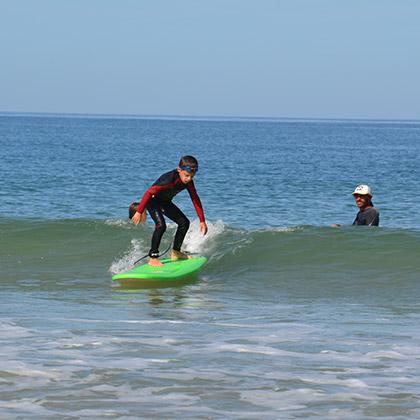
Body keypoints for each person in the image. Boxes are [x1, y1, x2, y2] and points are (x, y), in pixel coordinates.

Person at [130, 155, 208, 266]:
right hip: (152, 201)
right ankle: (153, 257)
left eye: (192, 176)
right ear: (179, 170)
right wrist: (139, 211)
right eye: (186, 175)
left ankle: (176, 252)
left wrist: (202, 220)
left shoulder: (189, 182)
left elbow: (195, 198)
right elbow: (149, 192)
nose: (189, 179)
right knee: (161, 225)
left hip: (165, 202)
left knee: (184, 223)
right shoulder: (168, 180)